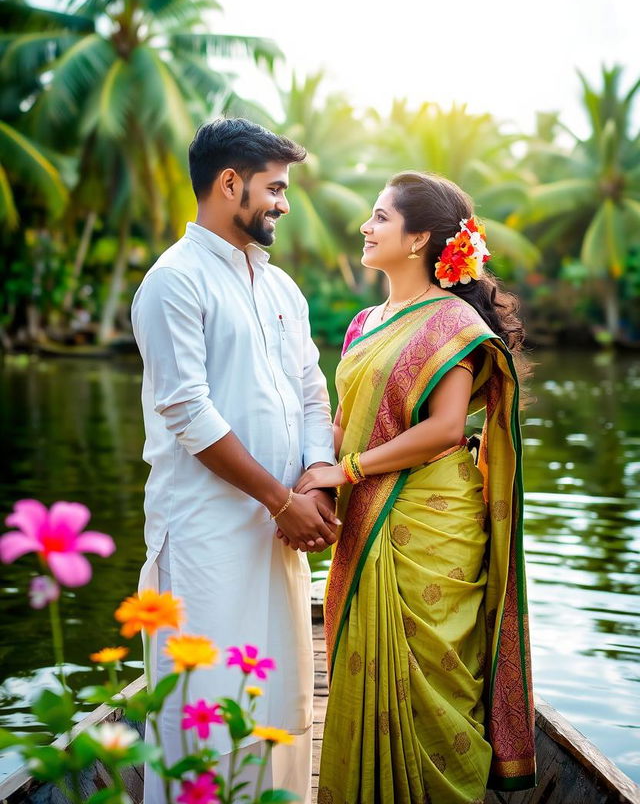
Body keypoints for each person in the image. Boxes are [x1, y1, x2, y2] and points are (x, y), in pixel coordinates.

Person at [296, 171, 536, 804]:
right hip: (367, 517)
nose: (365, 227)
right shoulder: (363, 322)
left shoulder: (453, 322)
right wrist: (315, 488)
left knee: (436, 679)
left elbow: (446, 428)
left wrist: (345, 473)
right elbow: (343, 421)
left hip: (433, 523)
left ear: (419, 237)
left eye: (379, 217)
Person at [131, 118, 339, 804]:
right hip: (206, 540)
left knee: (278, 712)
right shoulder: (174, 282)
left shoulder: (280, 289)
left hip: (280, 535)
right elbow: (189, 414)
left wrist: (314, 482)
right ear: (229, 183)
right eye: (274, 187)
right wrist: (284, 502)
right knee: (206, 716)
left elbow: (313, 392)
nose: (282, 202)